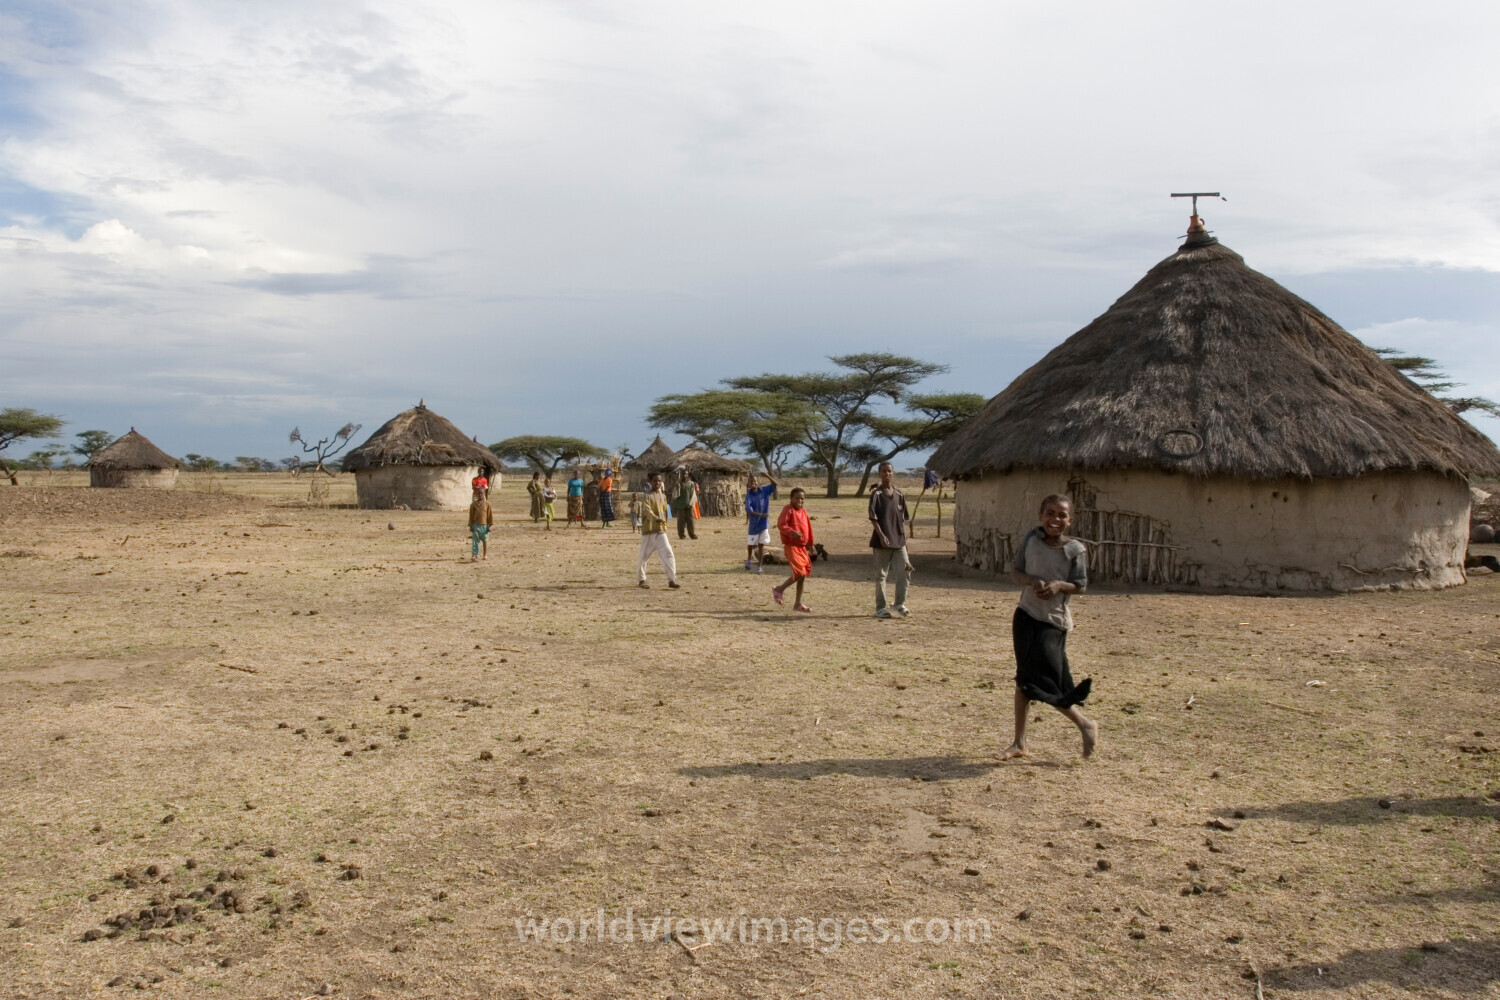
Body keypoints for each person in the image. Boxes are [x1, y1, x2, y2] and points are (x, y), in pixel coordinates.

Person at [1000, 494, 1098, 760]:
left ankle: (1084, 723)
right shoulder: (1031, 540)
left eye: (1062, 515)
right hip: (1025, 615)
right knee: (1023, 679)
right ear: (1040, 516)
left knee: (1044, 682)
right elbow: (1016, 572)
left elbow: (1081, 585)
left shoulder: (1075, 550)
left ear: (1070, 519)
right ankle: (1019, 743)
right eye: (1050, 513)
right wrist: (1032, 580)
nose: (1056, 519)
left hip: (1052, 622)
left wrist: (1058, 586)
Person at [869, 462, 912, 619]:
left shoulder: (899, 495)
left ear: (893, 473)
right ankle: (880, 608)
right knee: (881, 575)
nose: (887, 474)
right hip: (882, 541)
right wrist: (882, 536)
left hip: (898, 541)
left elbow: (902, 519)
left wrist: (904, 541)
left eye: (889, 471)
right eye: (883, 471)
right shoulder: (876, 495)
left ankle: (899, 603)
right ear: (879, 473)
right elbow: (873, 518)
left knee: (905, 571)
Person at [772, 487, 814, 612]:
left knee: (803, 575)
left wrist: (811, 544)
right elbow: (781, 524)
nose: (800, 501)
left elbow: (809, 529)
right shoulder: (788, 510)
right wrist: (791, 532)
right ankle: (779, 589)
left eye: (802, 499)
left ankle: (798, 604)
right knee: (799, 573)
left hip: (802, 548)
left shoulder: (804, 512)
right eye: (797, 498)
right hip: (792, 546)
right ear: (791, 498)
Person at [637, 473, 680, 589]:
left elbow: (665, 512)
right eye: (655, 481)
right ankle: (642, 580)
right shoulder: (647, 496)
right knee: (644, 556)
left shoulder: (663, 496)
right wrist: (656, 519)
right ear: (650, 482)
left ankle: (671, 580)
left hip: (661, 531)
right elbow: (647, 510)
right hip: (649, 530)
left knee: (668, 553)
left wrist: (664, 524)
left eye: (659, 481)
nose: (658, 483)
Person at [743, 470, 778, 572]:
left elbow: (775, 484)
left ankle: (759, 566)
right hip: (754, 525)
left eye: (755, 481)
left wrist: (767, 476)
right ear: (748, 484)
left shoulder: (765, 490)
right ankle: (749, 558)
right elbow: (749, 510)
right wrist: (760, 515)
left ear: (758, 482)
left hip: (763, 524)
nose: (753, 483)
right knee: (751, 545)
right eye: (751, 482)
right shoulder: (749, 496)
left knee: (761, 546)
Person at [468, 488, 494, 562]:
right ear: (476, 494)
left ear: (484, 494)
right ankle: (474, 555)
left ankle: (485, 555)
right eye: (478, 493)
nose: (480, 495)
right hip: (476, 525)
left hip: (484, 525)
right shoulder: (473, 505)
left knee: (485, 540)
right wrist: (470, 525)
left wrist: (490, 525)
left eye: (481, 493)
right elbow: (471, 515)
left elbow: (489, 515)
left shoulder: (487, 504)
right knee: (475, 540)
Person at [673, 471, 699, 540]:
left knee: (691, 521)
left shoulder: (691, 484)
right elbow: (675, 495)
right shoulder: (678, 484)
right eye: (682, 474)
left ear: (688, 475)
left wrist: (691, 503)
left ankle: (692, 534)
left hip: (689, 505)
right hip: (680, 505)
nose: (684, 475)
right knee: (680, 521)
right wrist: (677, 487)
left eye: (686, 474)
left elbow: (693, 494)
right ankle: (682, 535)